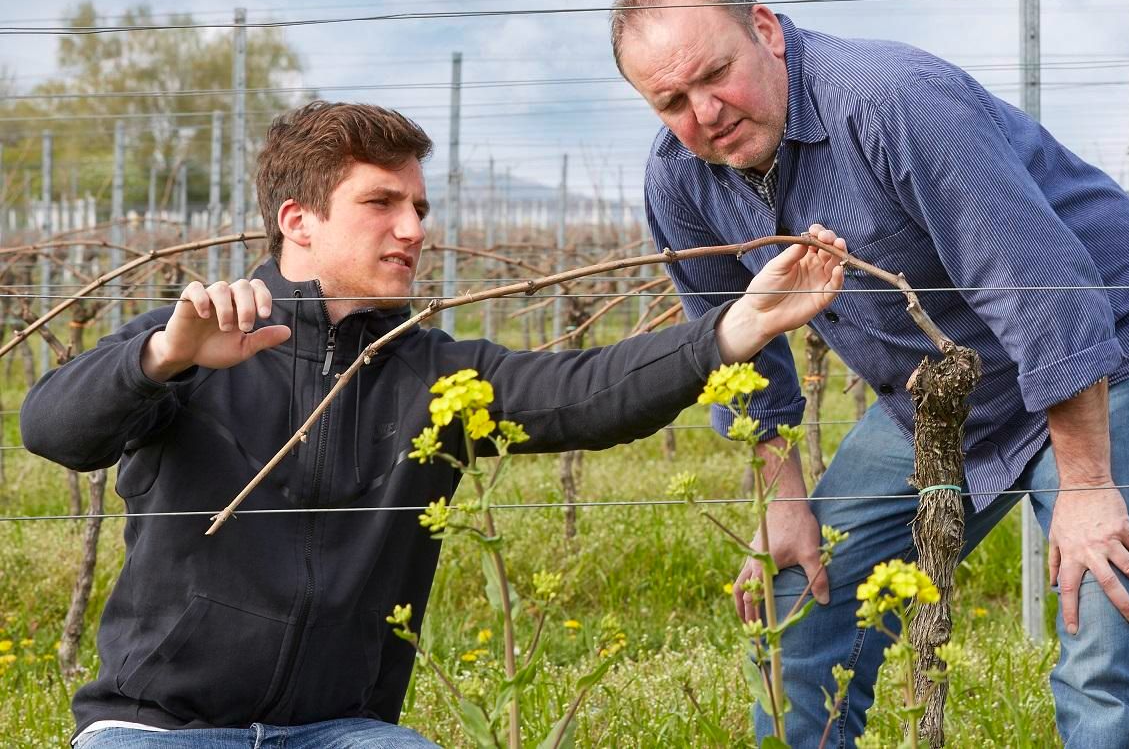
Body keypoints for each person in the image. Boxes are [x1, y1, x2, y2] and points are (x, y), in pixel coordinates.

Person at [21, 100, 848, 749]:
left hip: (344, 730)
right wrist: (163, 357)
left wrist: (736, 328)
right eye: (381, 202)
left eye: (418, 204)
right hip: (160, 730)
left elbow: (588, 390)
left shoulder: (438, 374)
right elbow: (51, 429)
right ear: (297, 220)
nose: (414, 229)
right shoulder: (194, 338)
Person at [612, 0, 1129, 748]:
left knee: (1101, 634)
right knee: (805, 612)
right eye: (672, 102)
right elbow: (735, 347)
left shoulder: (892, 100)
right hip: (940, 392)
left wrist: (1088, 487)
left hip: (1108, 350)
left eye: (716, 74)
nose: (706, 113)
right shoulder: (680, 180)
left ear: (764, 28)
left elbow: (1038, 286)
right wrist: (781, 498)